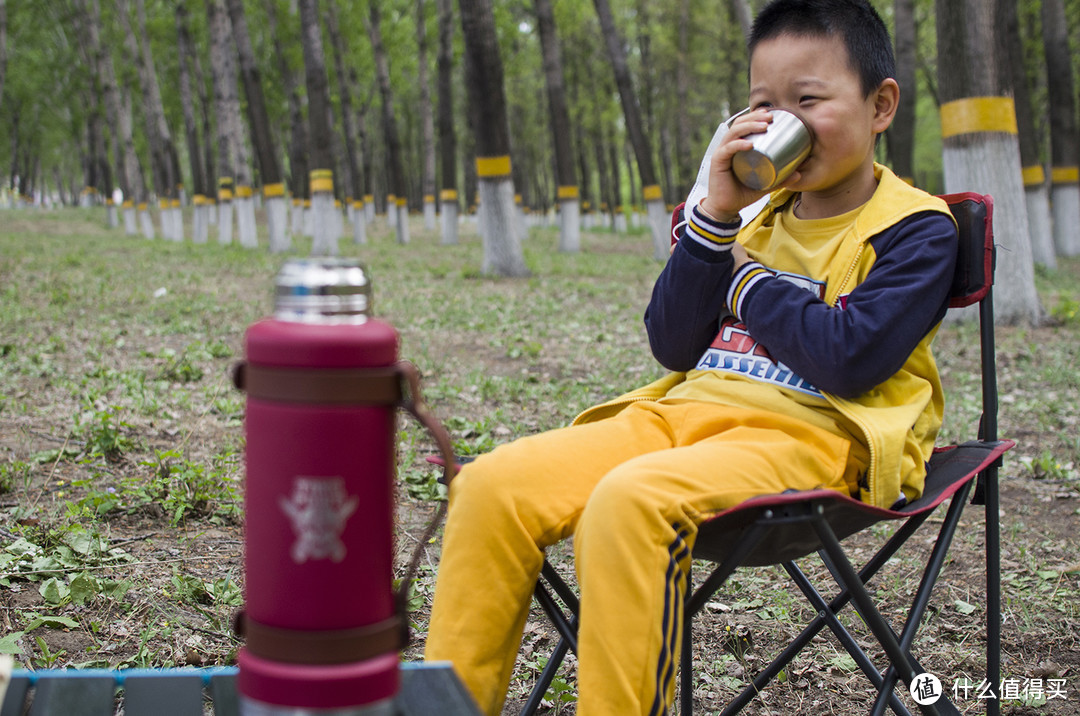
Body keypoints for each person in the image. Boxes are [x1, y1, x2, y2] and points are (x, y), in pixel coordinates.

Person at [424, 1, 958, 714]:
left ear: (880, 104)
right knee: (492, 485)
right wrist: (712, 223)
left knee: (630, 502)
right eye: (763, 104)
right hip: (683, 416)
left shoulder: (915, 228)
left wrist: (743, 280)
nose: (780, 123)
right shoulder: (749, 218)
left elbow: (848, 357)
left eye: (807, 101)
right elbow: (673, 343)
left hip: (814, 437)